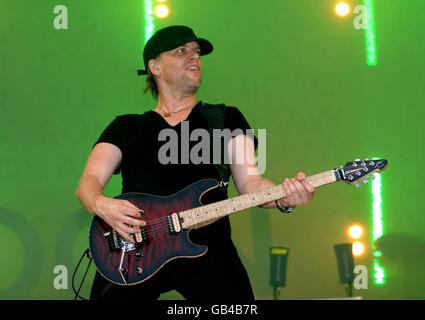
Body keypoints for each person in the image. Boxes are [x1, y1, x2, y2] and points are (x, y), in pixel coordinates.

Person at [75, 25, 315, 300]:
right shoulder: (126, 127)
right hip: (134, 247)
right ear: (155, 66)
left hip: (208, 245)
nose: (194, 58)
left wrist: (285, 198)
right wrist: (102, 204)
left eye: (197, 53)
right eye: (181, 51)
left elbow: (251, 182)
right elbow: (88, 182)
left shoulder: (224, 119)